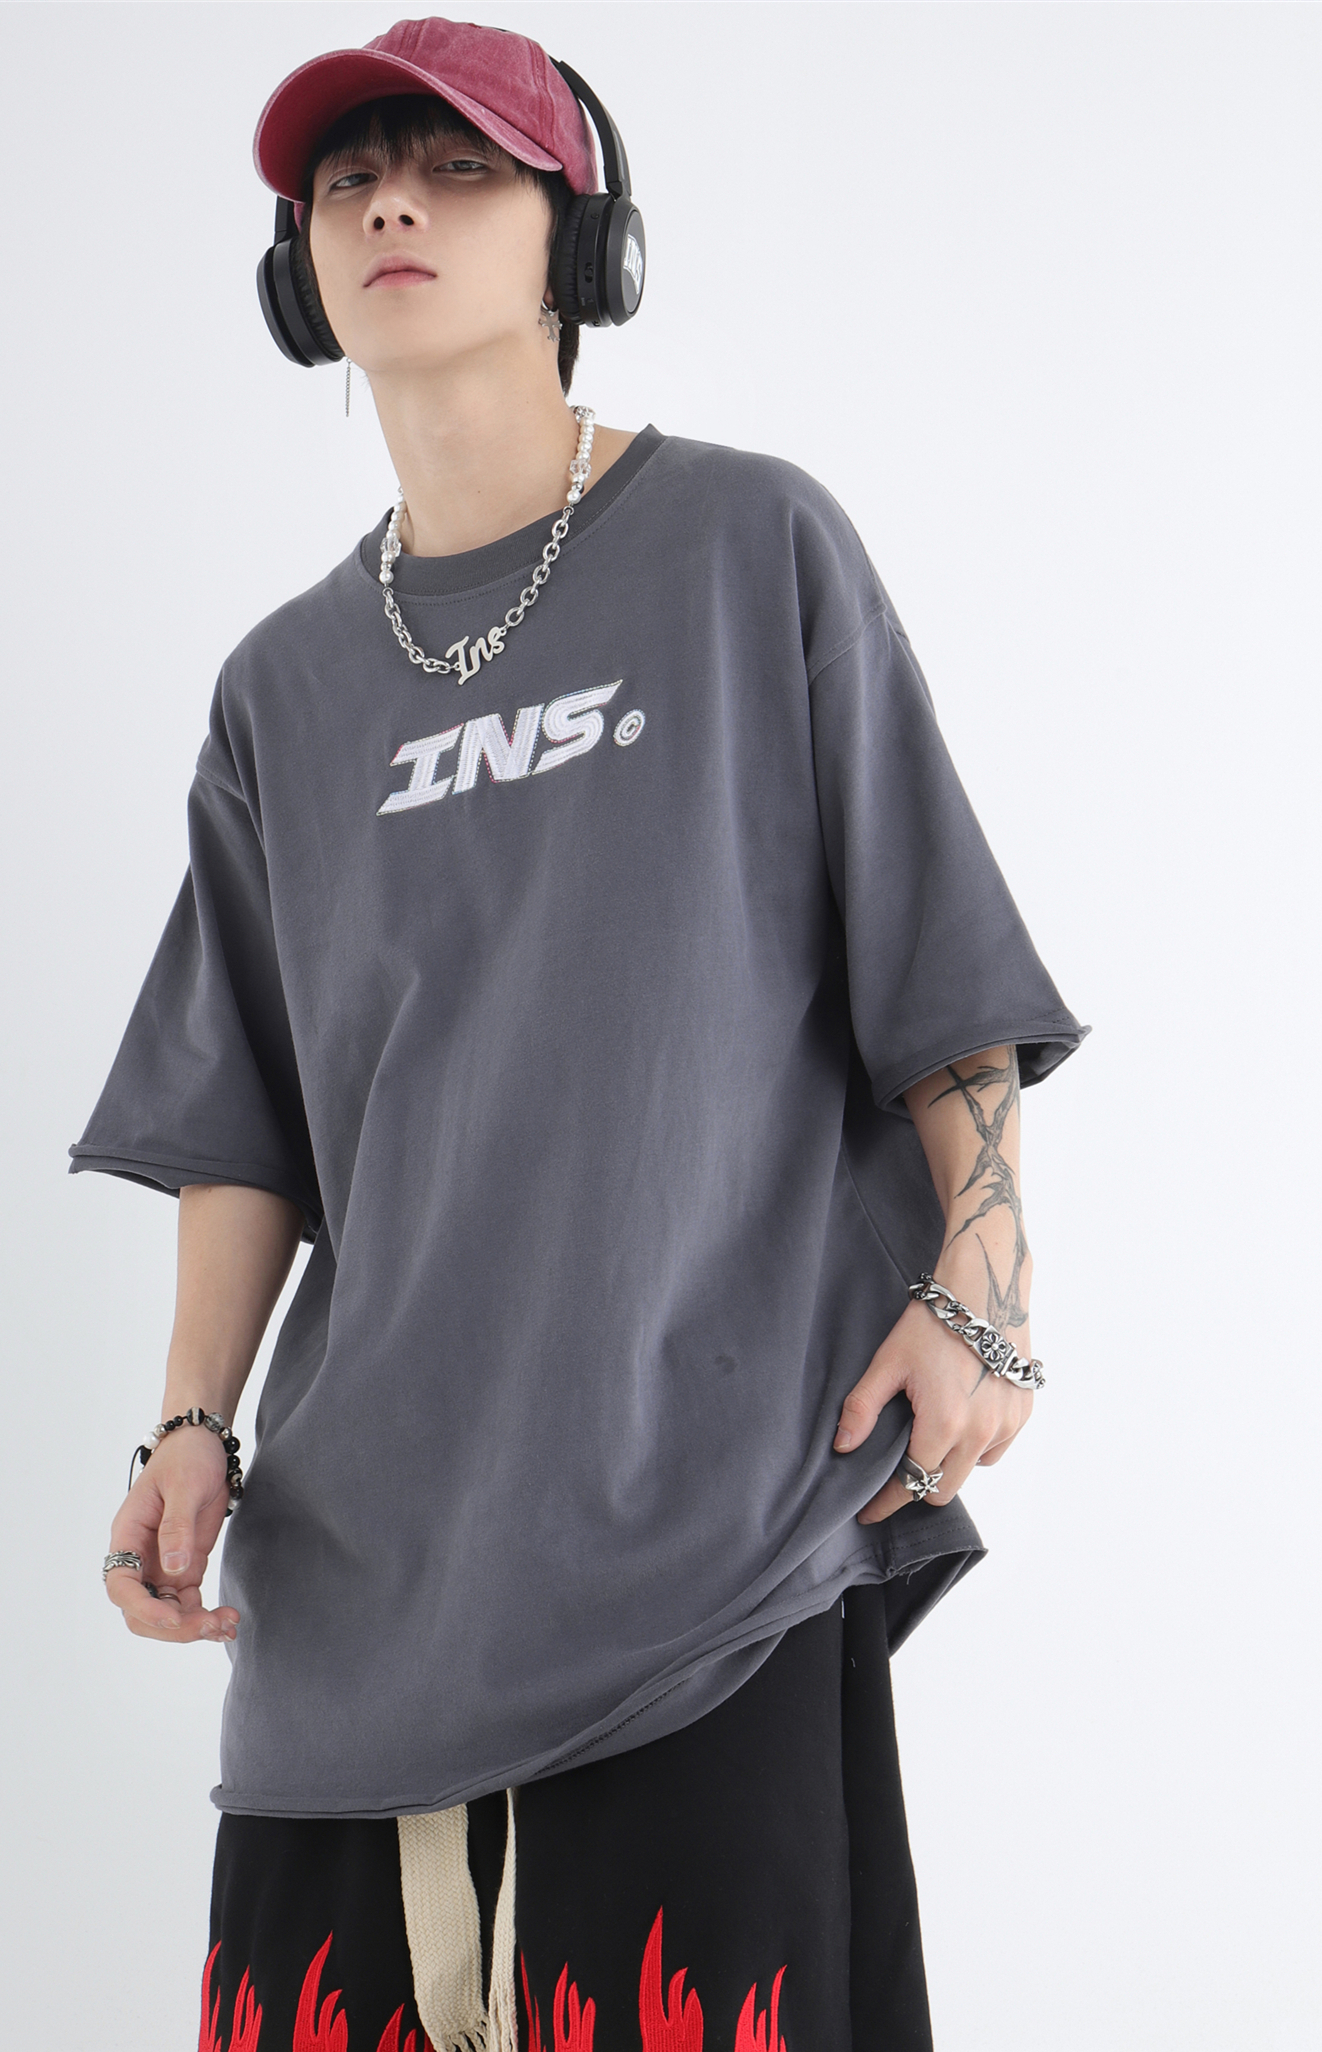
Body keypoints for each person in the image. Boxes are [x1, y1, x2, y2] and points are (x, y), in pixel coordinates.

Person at [72, 18, 1085, 2052]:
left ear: (584, 246)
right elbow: (244, 1120)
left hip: (699, 1557)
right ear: (296, 269)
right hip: (355, 1606)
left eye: (458, 167)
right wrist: (189, 1427)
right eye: (348, 176)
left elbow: (935, 972)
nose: (390, 202)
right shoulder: (280, 691)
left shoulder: (748, 549)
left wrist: (983, 1282)